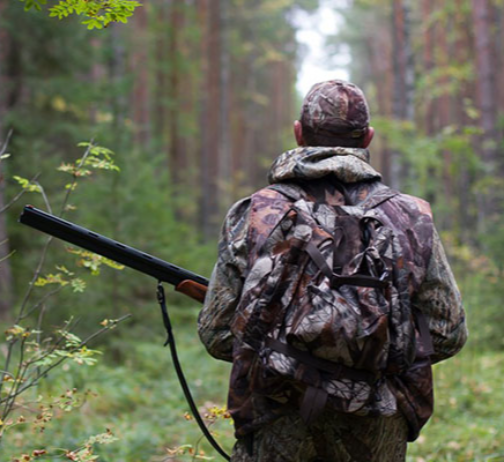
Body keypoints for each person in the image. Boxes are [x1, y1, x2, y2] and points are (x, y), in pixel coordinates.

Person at [197, 80, 467, 462]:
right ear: (367, 137)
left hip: (277, 416)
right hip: (379, 420)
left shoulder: (257, 213)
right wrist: (371, 359)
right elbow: (448, 332)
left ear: (298, 132)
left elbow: (217, 332)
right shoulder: (409, 216)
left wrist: (288, 358)